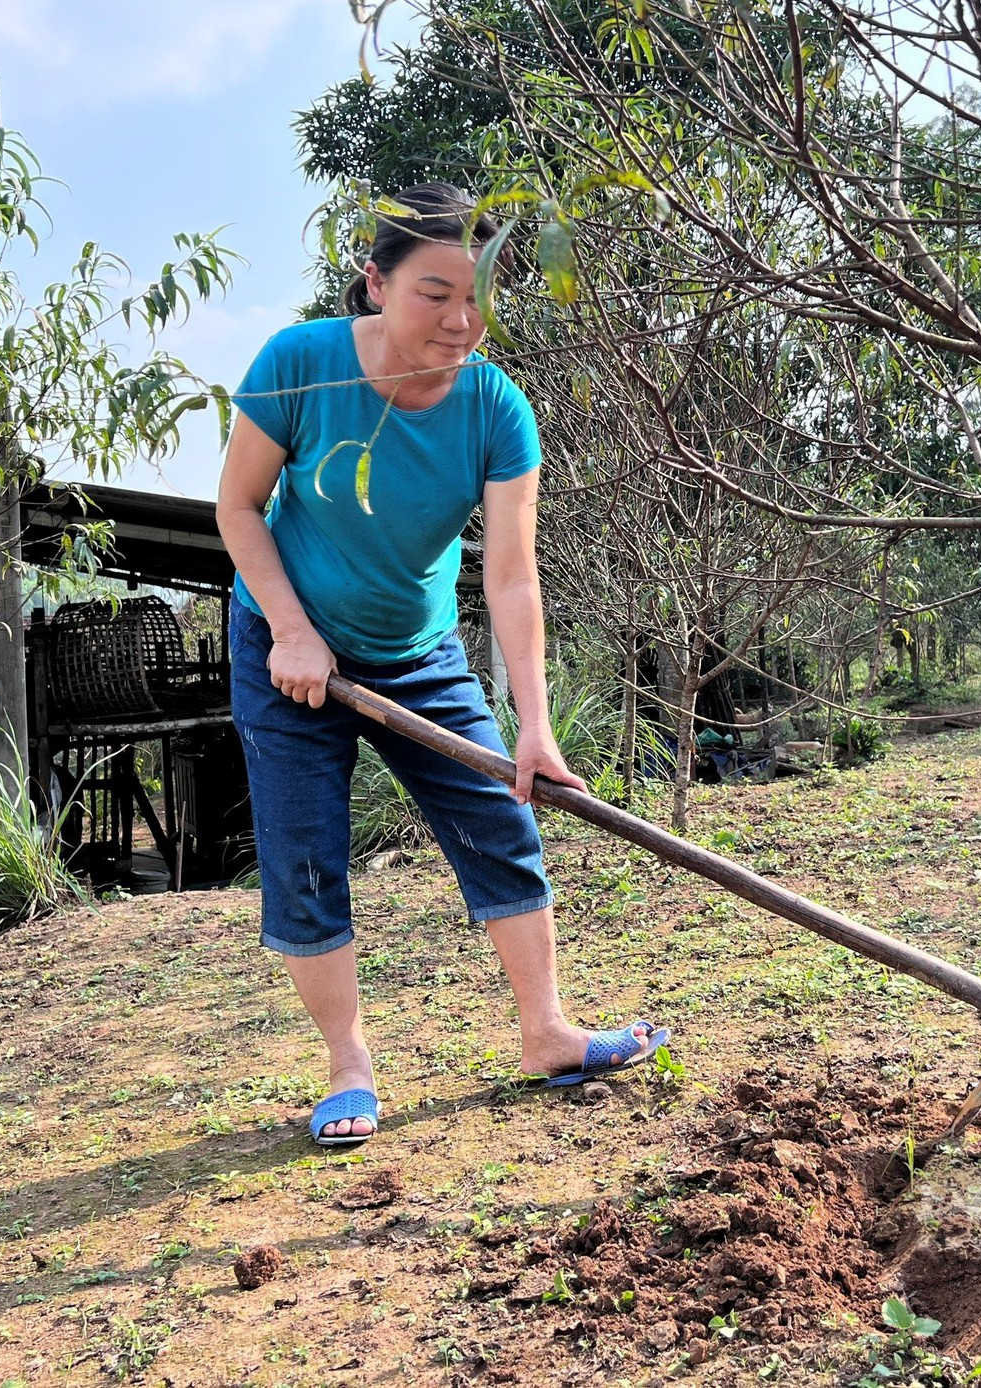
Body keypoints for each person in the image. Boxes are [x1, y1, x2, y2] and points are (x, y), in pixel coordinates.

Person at [215, 184, 669, 1147]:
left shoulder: (497, 409)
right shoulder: (303, 365)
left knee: (500, 820)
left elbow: (509, 575)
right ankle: (348, 1063)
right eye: (433, 294)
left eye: (479, 299)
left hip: (417, 651)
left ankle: (546, 1033)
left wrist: (534, 725)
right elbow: (238, 510)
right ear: (376, 284)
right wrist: (293, 633)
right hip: (286, 646)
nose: (462, 323)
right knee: (305, 856)